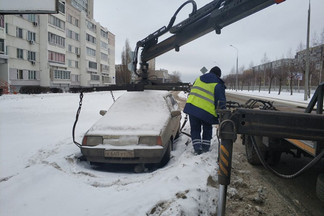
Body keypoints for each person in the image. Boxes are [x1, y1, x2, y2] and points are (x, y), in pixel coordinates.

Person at [183, 66, 226, 155]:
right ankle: (205, 149)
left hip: (192, 108)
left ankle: (197, 148)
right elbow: (221, 101)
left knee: (195, 129)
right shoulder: (218, 84)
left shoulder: (198, 79)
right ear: (218, 75)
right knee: (207, 129)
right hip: (207, 112)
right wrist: (223, 113)